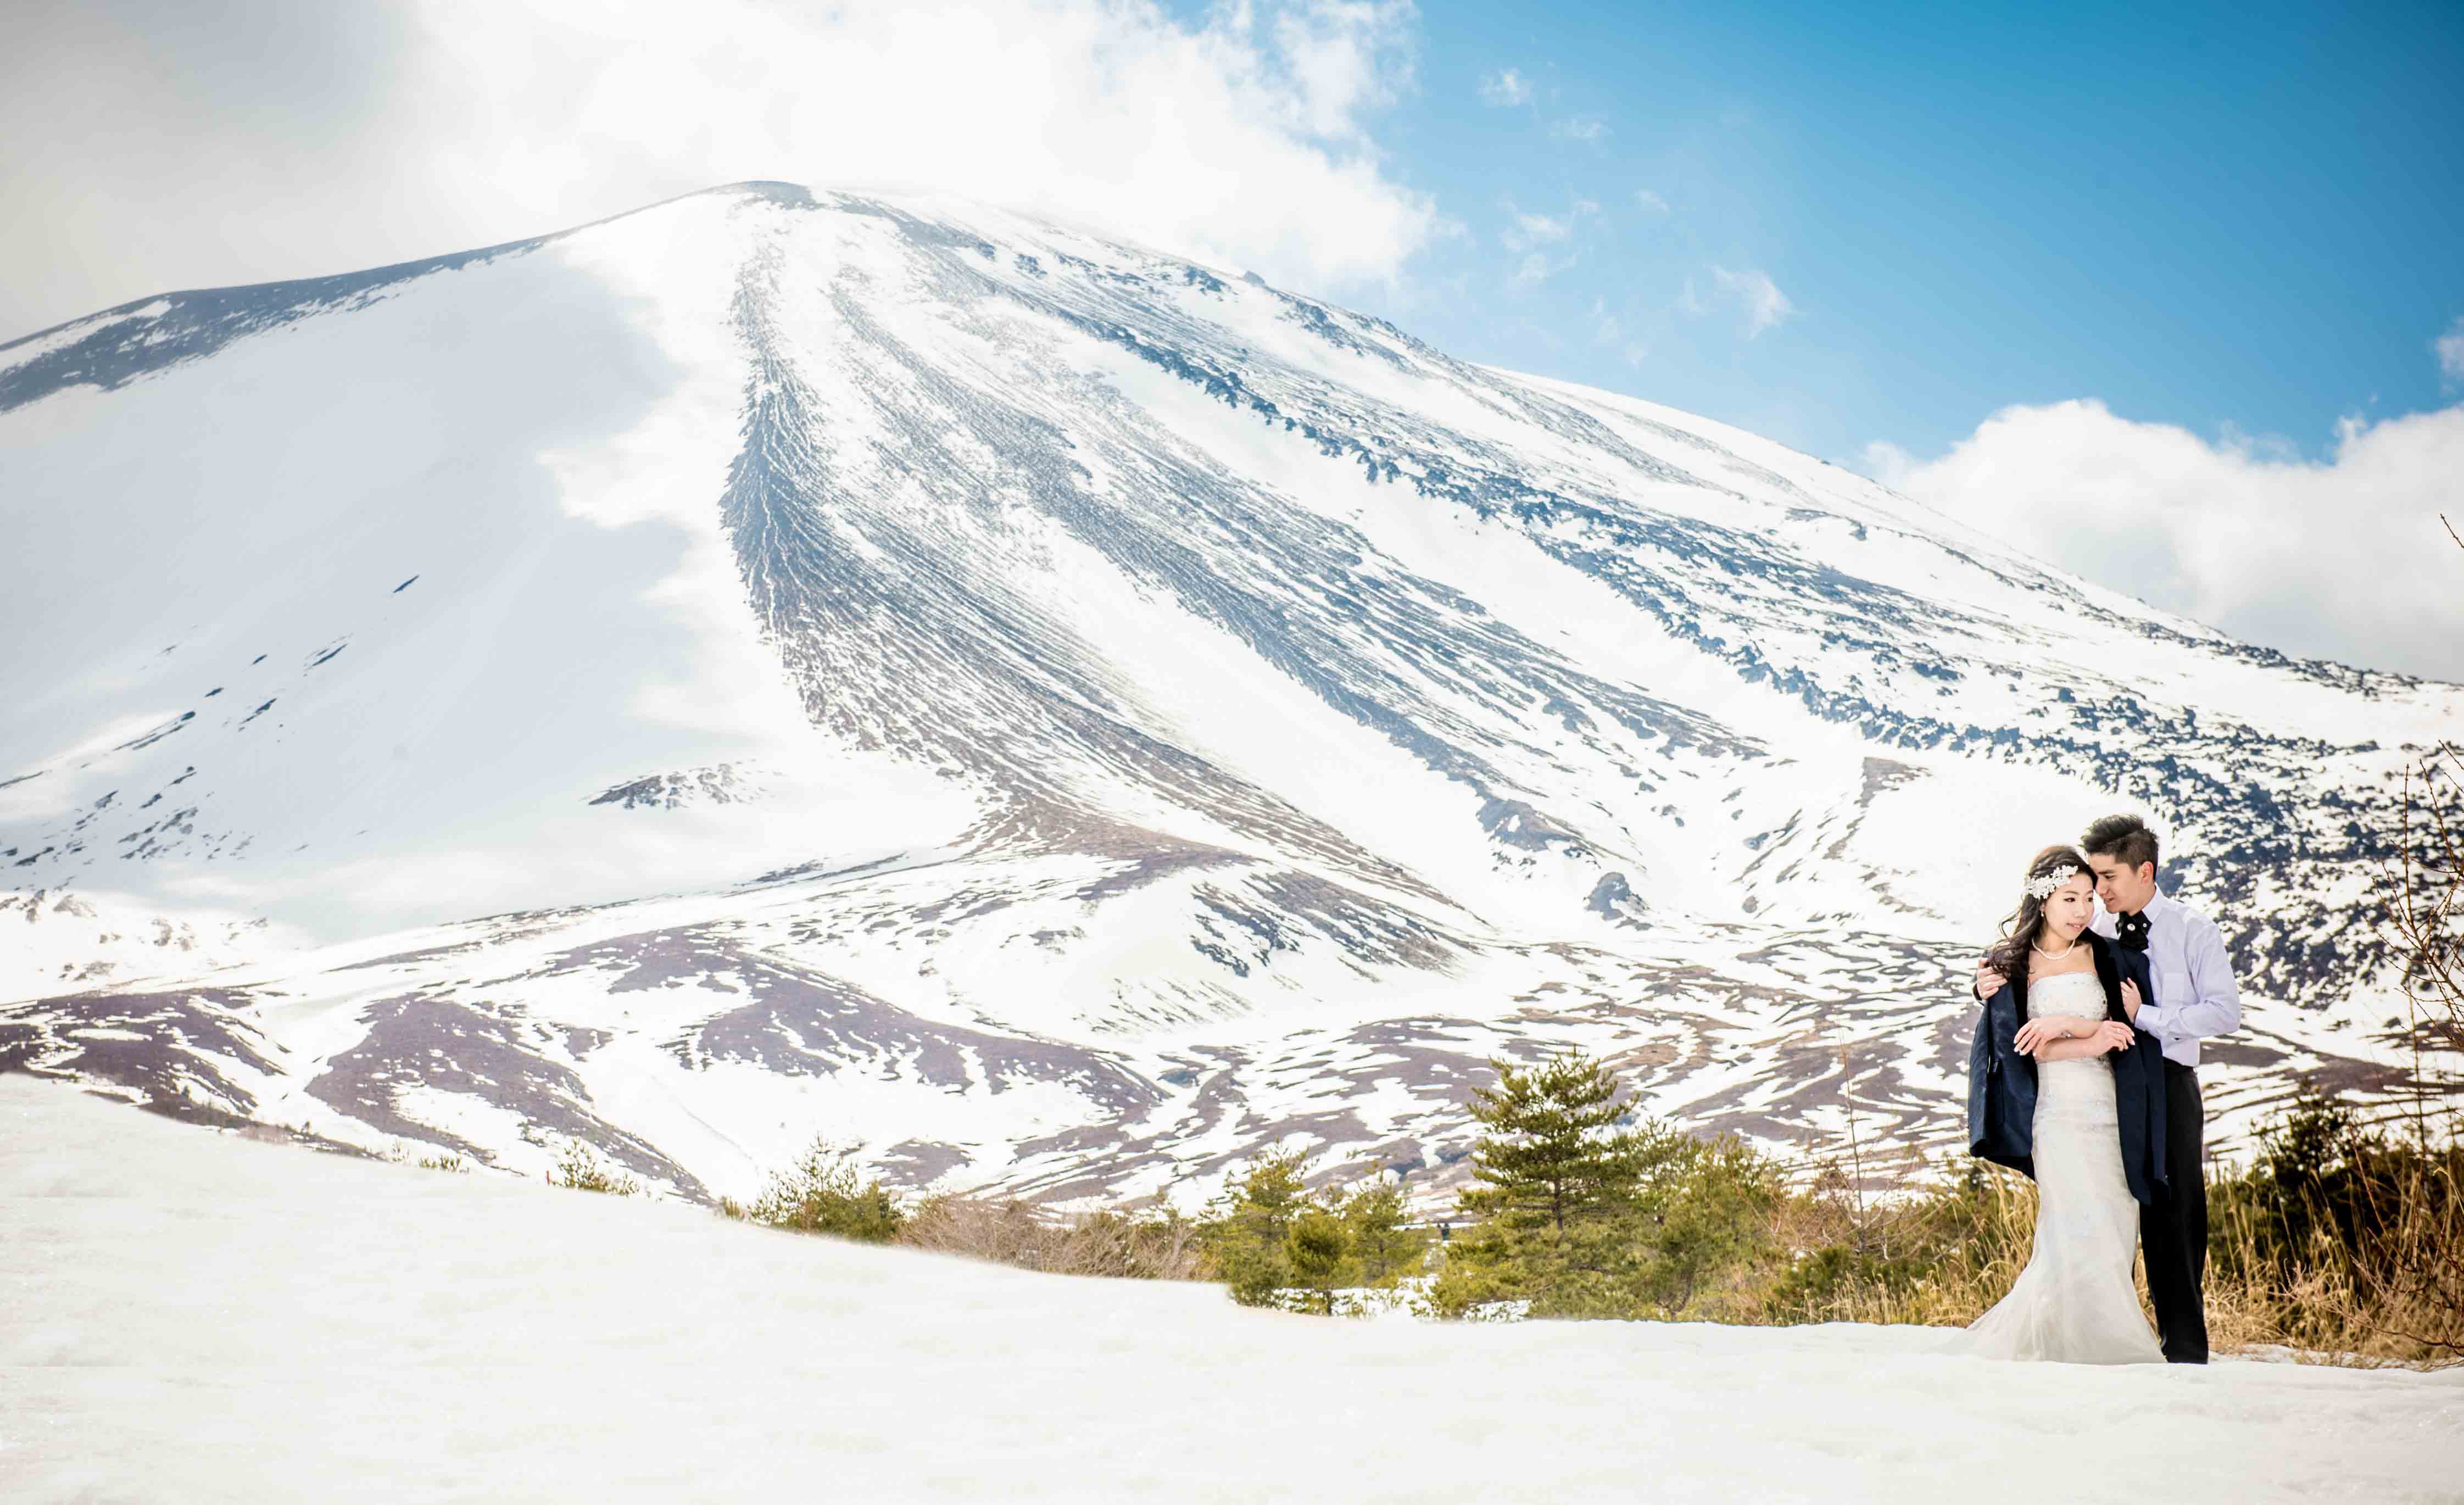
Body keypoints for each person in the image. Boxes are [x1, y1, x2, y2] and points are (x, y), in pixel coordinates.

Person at [1959, 845, 2171, 1364]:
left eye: (2089, 899)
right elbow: (2025, 1045)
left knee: (2117, 1222)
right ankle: (2093, 1350)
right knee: (2072, 1225)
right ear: (2043, 900)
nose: (2082, 910)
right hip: (2056, 1115)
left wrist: (2072, 1026)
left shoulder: (2107, 955)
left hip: (2113, 1113)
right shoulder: (2012, 964)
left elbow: (2122, 1030)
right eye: (2070, 898)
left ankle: (2094, 1342)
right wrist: (2088, 1038)